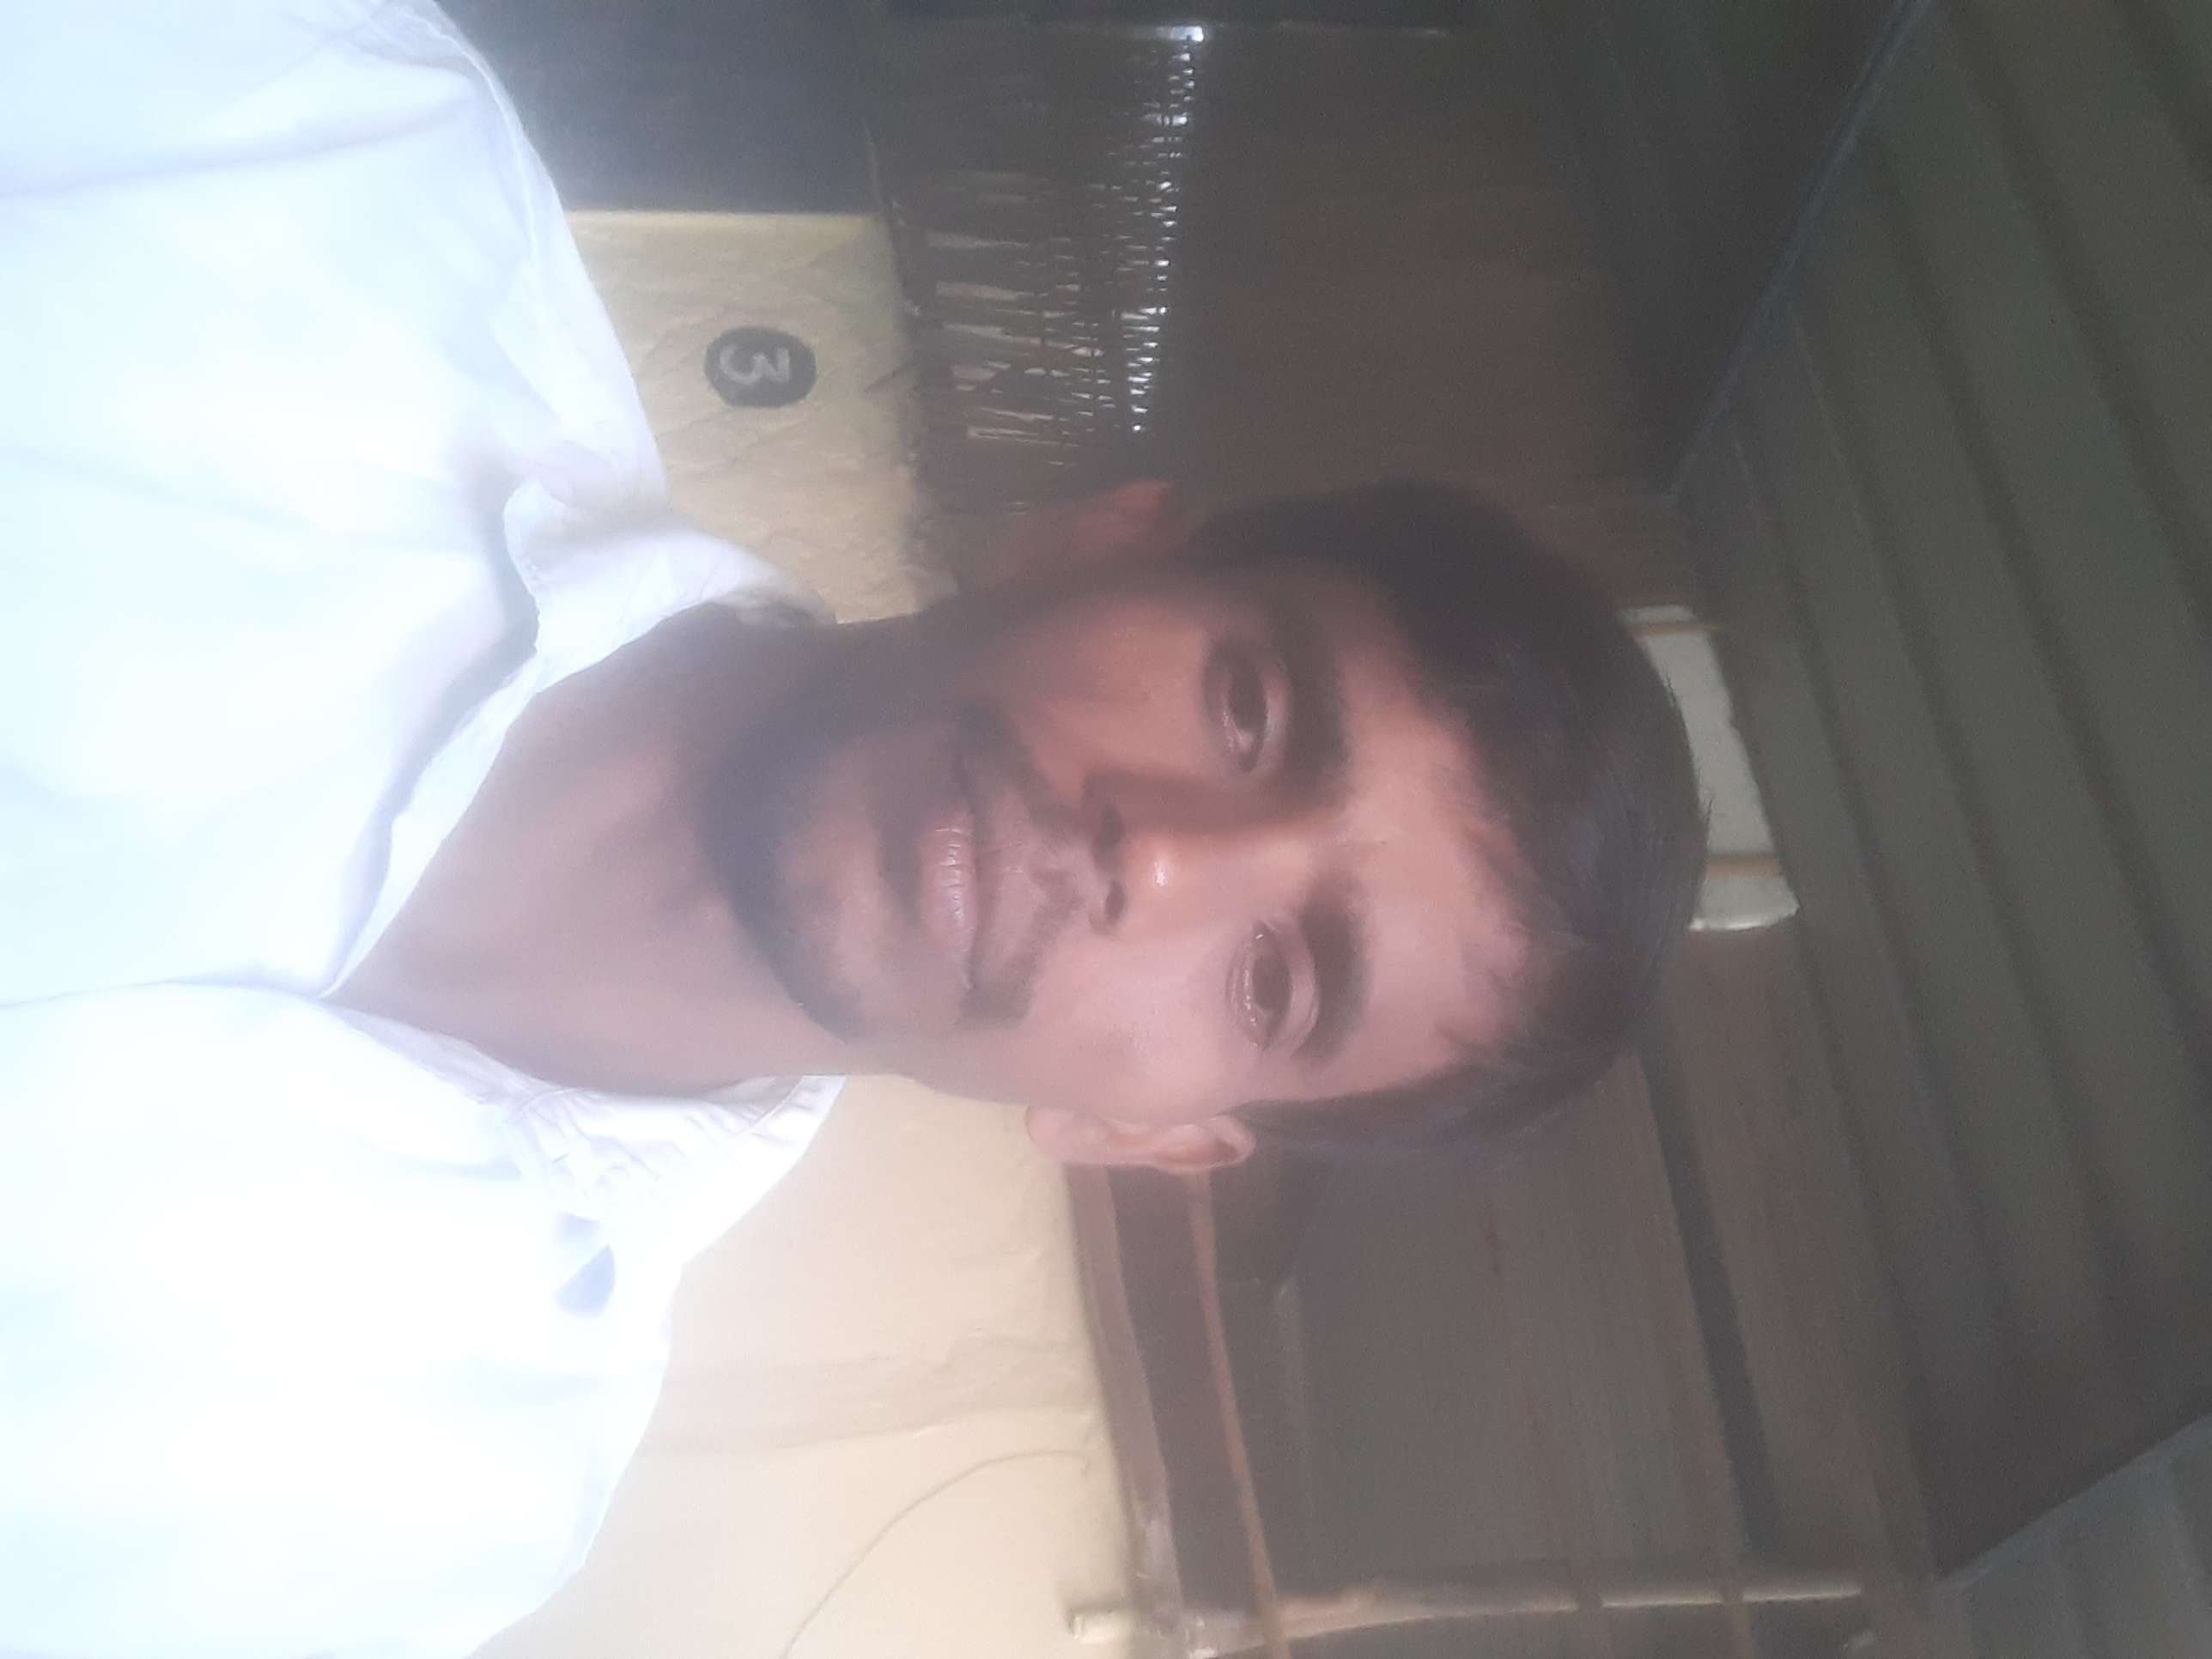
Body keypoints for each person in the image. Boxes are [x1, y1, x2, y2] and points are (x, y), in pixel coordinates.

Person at [0, 3, 1704, 1655]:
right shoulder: (299, 153)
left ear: (1147, 1133)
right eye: (1247, 708)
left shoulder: (406, 1506)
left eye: (1274, 982)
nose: (1159, 859)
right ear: (1091, 545)